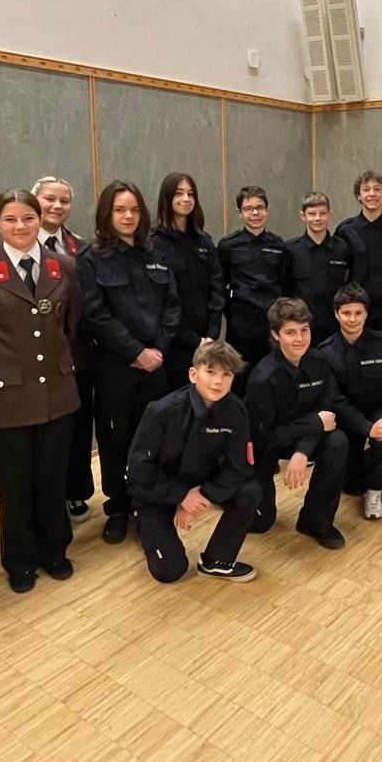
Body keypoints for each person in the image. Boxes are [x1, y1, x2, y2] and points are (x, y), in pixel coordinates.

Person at [0, 190, 81, 594]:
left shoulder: (64, 266)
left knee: (52, 478)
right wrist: (4, 368)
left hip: (57, 394)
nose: (21, 226)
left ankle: (54, 550)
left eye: (28, 218)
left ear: (39, 219)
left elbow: (71, 326)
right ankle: (20, 559)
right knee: (15, 483)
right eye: (11, 219)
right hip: (6, 397)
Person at [77, 180, 181, 546]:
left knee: (154, 436)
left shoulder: (154, 252)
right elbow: (96, 315)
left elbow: (172, 305)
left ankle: (147, 501)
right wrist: (135, 352)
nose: (128, 216)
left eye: (134, 209)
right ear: (107, 214)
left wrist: (159, 350)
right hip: (116, 368)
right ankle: (118, 506)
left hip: (157, 364)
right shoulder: (90, 258)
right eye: (120, 210)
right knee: (115, 438)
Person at [127, 340, 261, 584]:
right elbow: (138, 471)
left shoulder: (236, 411)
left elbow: (239, 466)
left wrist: (204, 495)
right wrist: (181, 496)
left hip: (200, 485)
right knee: (170, 571)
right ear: (193, 374)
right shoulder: (161, 412)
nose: (218, 381)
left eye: (226, 374)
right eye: (210, 371)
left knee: (250, 491)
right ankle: (142, 522)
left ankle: (217, 560)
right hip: (157, 492)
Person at [243, 298, 349, 548]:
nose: (300, 338)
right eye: (290, 332)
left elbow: (326, 415)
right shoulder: (262, 378)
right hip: (262, 449)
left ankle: (315, 521)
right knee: (261, 523)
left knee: (337, 441)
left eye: (304, 330)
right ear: (275, 335)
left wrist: (302, 452)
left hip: (300, 437)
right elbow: (263, 439)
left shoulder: (319, 362)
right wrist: (313, 424)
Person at [31, 176, 96, 525]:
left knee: (78, 426)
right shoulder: (13, 244)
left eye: (64, 201)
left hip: (77, 352)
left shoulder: (80, 248)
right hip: (35, 356)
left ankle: (76, 490)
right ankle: (47, 497)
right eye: (49, 199)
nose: (57, 206)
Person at [318, 283, 382, 521]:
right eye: (346, 313)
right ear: (336, 313)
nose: (352, 319)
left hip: (380, 410)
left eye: (358, 313)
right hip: (348, 420)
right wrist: (367, 428)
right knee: (349, 487)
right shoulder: (325, 352)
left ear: (366, 314)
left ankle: (376, 488)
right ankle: (372, 467)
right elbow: (335, 400)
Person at [152, 171, 226, 392]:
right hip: (175, 343)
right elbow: (161, 300)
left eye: (190, 194)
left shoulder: (204, 241)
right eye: (179, 193)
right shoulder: (154, 244)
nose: (186, 199)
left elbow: (217, 288)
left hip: (207, 340)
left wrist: (211, 336)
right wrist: (194, 340)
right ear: (167, 198)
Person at [218, 186, 287, 392]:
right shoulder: (227, 245)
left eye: (259, 208)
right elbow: (220, 284)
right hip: (241, 325)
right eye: (248, 209)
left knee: (272, 374)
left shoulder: (279, 245)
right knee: (240, 375)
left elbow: (284, 284)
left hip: (270, 323)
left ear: (267, 210)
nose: (255, 213)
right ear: (239, 212)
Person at [338, 170, 382, 344]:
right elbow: (341, 271)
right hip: (356, 310)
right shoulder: (345, 230)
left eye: (377, 189)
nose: (372, 194)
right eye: (366, 189)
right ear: (358, 196)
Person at [282, 191, 354, 346]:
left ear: (330, 214)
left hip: (335, 325)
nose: (317, 218)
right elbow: (285, 291)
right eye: (312, 214)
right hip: (302, 326)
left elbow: (347, 285)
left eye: (322, 213)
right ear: (303, 216)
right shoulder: (291, 250)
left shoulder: (342, 248)